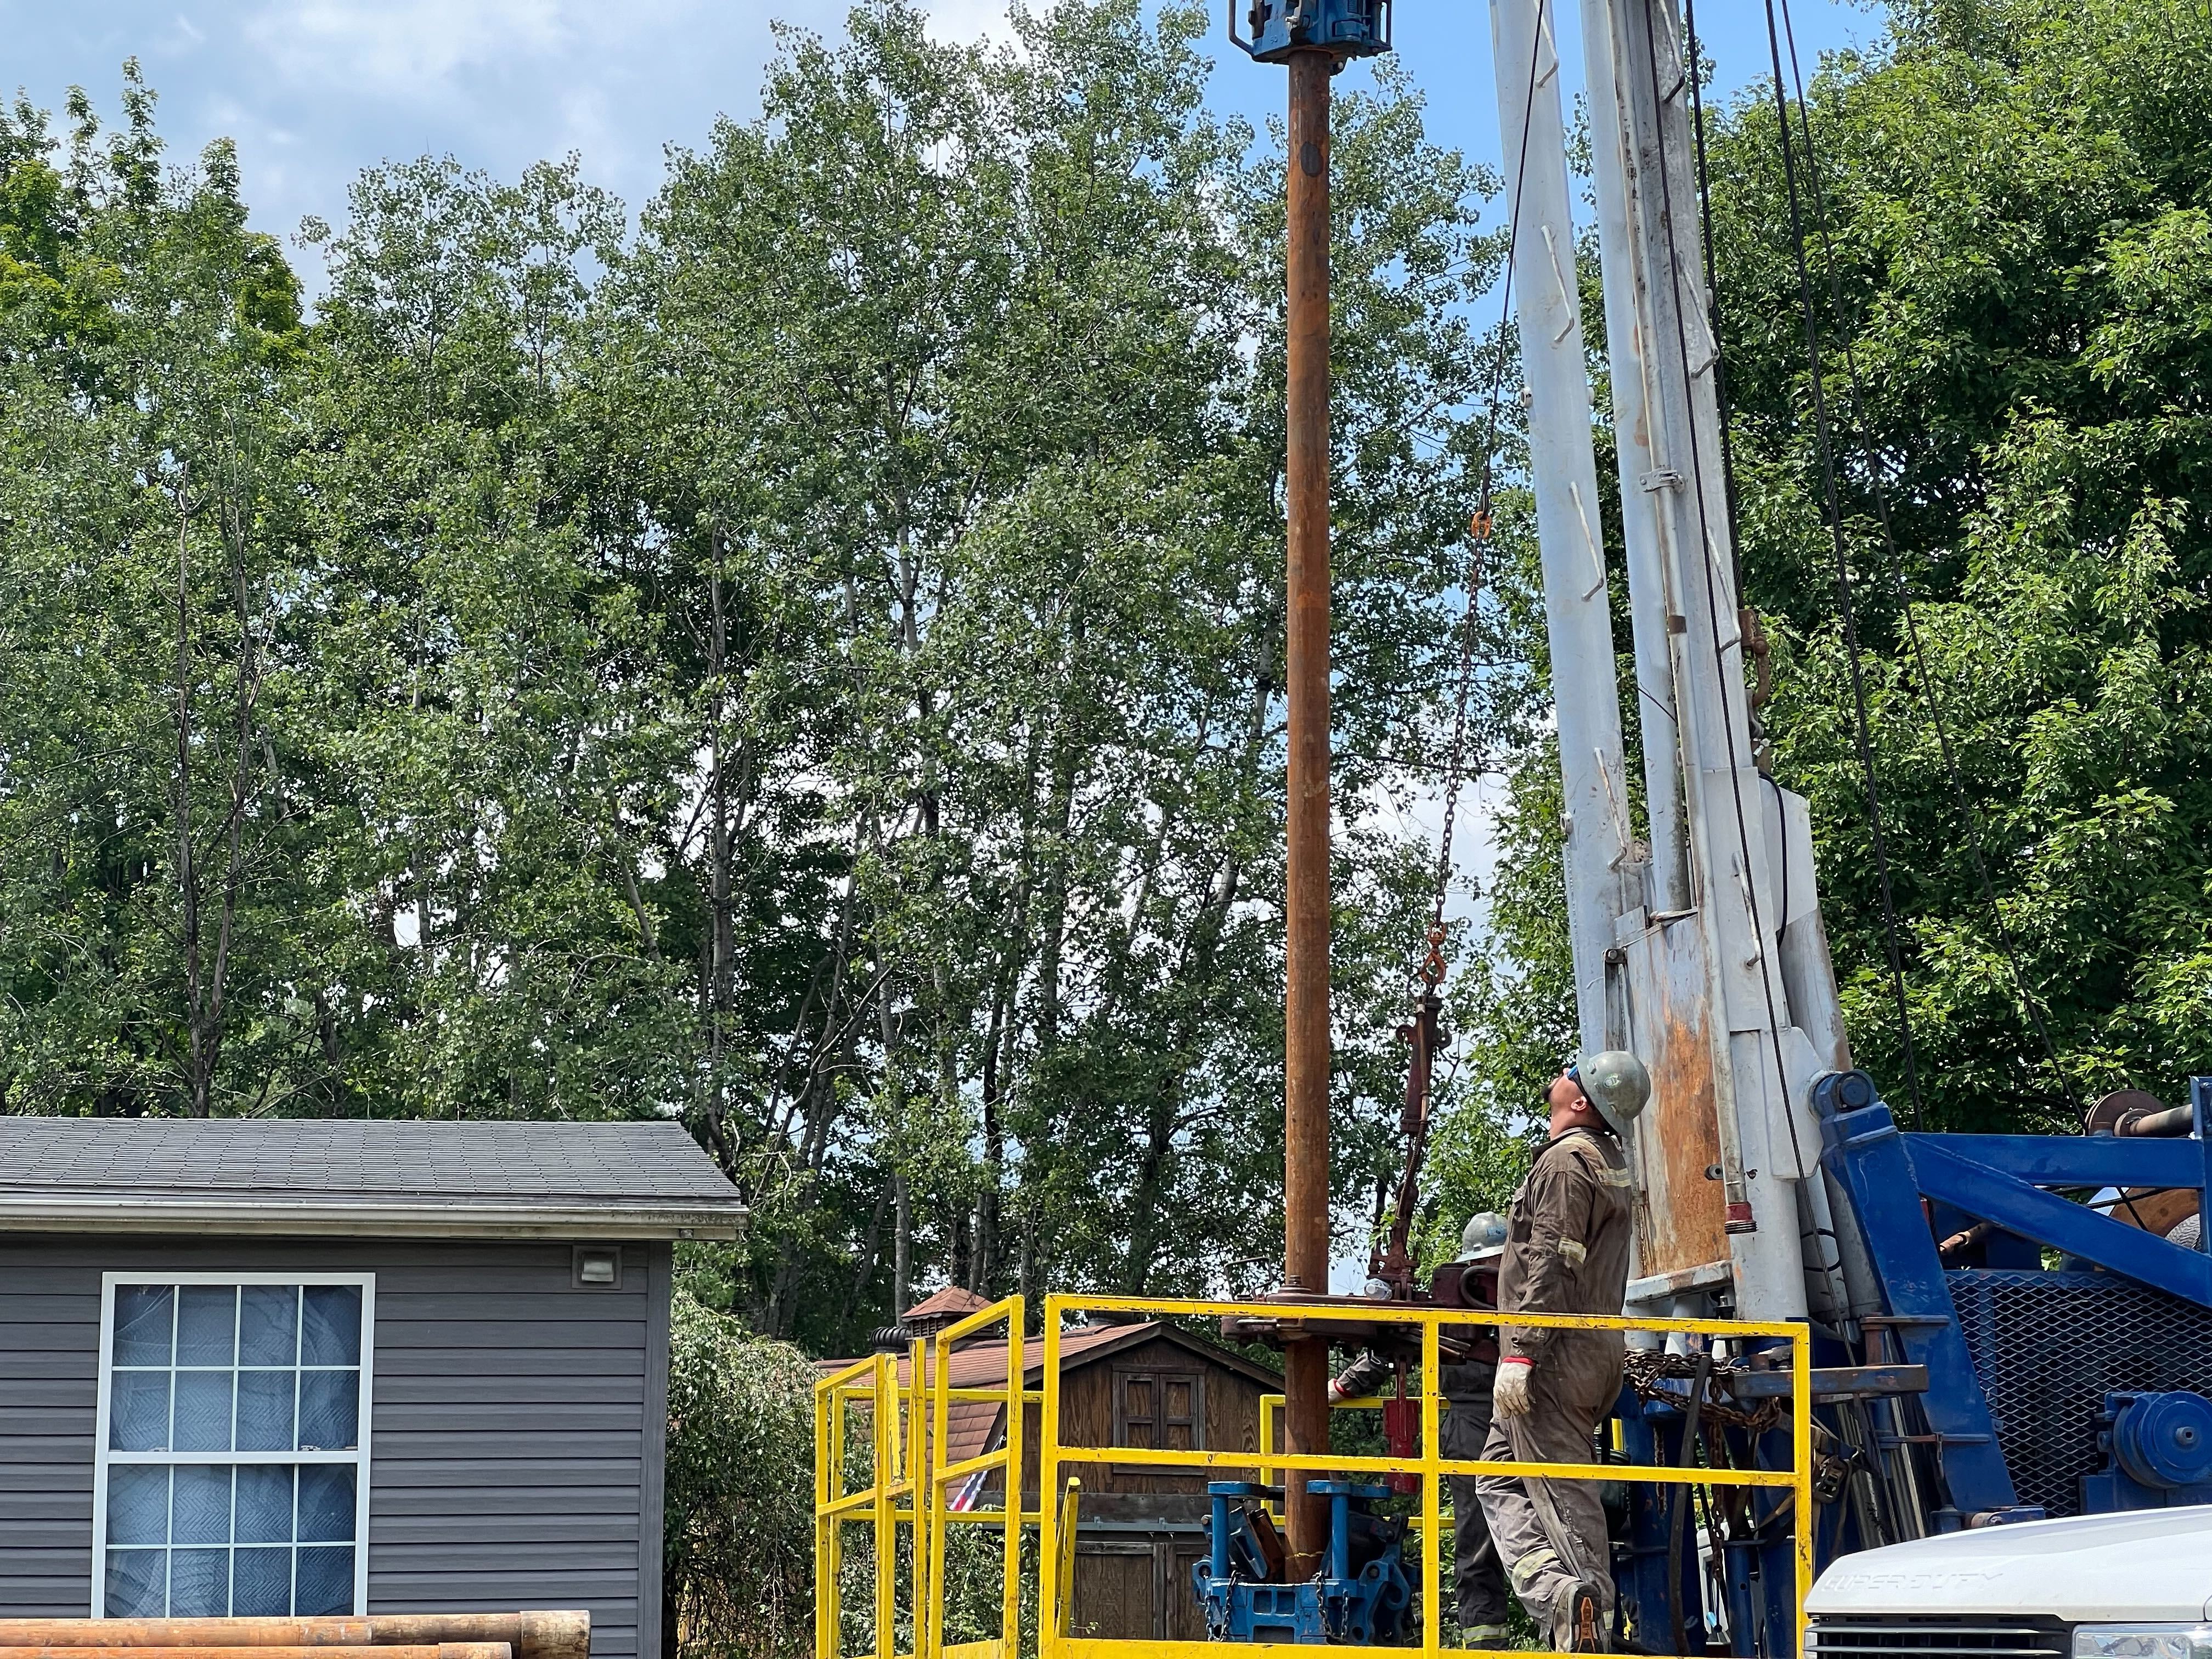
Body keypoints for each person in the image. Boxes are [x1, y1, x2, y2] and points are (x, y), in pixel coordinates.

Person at [1476, 1064, 1635, 1654]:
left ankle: (1587, 1626)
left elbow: (1554, 1256)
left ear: (1583, 1104)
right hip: (1588, 1348)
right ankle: (1559, 1593)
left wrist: (1522, 1353)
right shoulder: (1606, 1159)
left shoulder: (1567, 1162)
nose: (1560, 1075)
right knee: (1494, 1475)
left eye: (1574, 1074)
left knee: (1565, 1496)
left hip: (1555, 1355)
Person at [1441, 1211, 1511, 1647]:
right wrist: (1343, 1384)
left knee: (1481, 1547)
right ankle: (1486, 1647)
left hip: (1509, 1423)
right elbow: (1398, 1342)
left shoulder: (1529, 1295)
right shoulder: (1448, 1311)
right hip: (1486, 1425)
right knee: (1479, 1546)